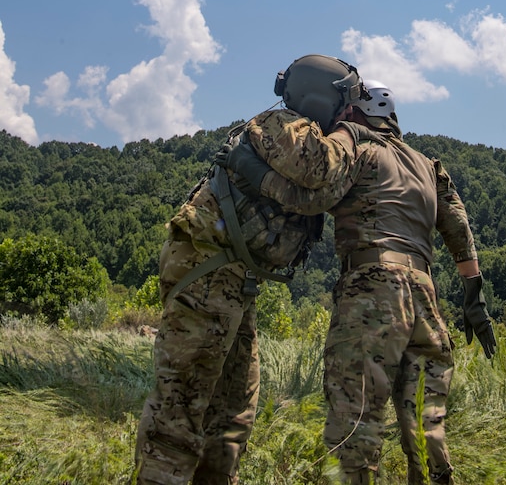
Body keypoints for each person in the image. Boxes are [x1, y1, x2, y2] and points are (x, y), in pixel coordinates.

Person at [232, 77, 496, 485]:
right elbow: (458, 227)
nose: (338, 115)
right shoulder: (426, 164)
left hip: (372, 290)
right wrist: (473, 296)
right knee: (426, 427)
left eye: (344, 108)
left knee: (354, 423)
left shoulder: (356, 140)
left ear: (360, 110)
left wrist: (250, 167)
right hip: (425, 298)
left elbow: (313, 193)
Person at [135, 54, 370, 485]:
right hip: (207, 270)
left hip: (231, 279)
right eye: (346, 104)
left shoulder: (298, 133)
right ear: (320, 99)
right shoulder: (281, 126)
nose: (349, 113)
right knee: (182, 406)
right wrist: (353, 133)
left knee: (233, 410)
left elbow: (320, 196)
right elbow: (322, 169)